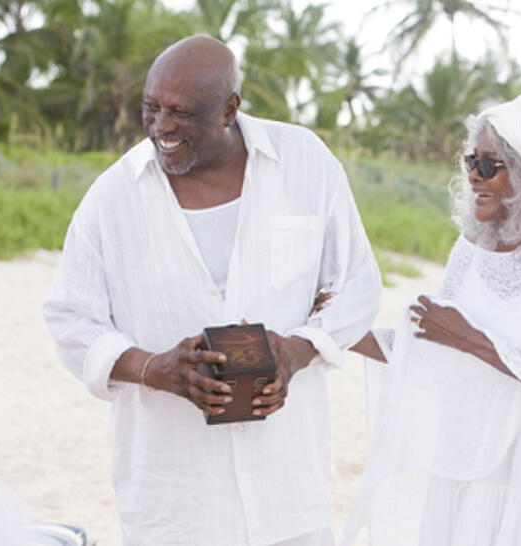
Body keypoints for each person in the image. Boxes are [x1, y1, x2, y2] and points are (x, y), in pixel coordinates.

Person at [43, 35, 381, 546]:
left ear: (229, 109)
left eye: (180, 113)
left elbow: (357, 284)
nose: (161, 127)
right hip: (173, 503)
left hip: (287, 493)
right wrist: (151, 368)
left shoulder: (305, 164)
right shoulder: (112, 198)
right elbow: (71, 320)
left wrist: (296, 350)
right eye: (150, 108)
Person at [343, 93, 521, 545]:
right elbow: (423, 342)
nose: (474, 175)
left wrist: (468, 339)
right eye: (470, 161)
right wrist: (335, 328)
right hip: (466, 463)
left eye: (491, 165)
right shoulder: (470, 249)